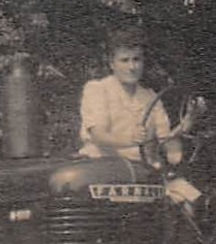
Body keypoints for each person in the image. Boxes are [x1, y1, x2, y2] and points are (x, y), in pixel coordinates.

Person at [78, 27, 197, 161]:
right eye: (124, 60)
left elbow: (166, 142)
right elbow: (99, 136)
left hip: (141, 170)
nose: (132, 67)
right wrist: (130, 139)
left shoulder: (150, 96)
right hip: (102, 166)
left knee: (182, 182)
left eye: (136, 59)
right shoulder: (97, 89)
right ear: (112, 64)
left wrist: (188, 120)